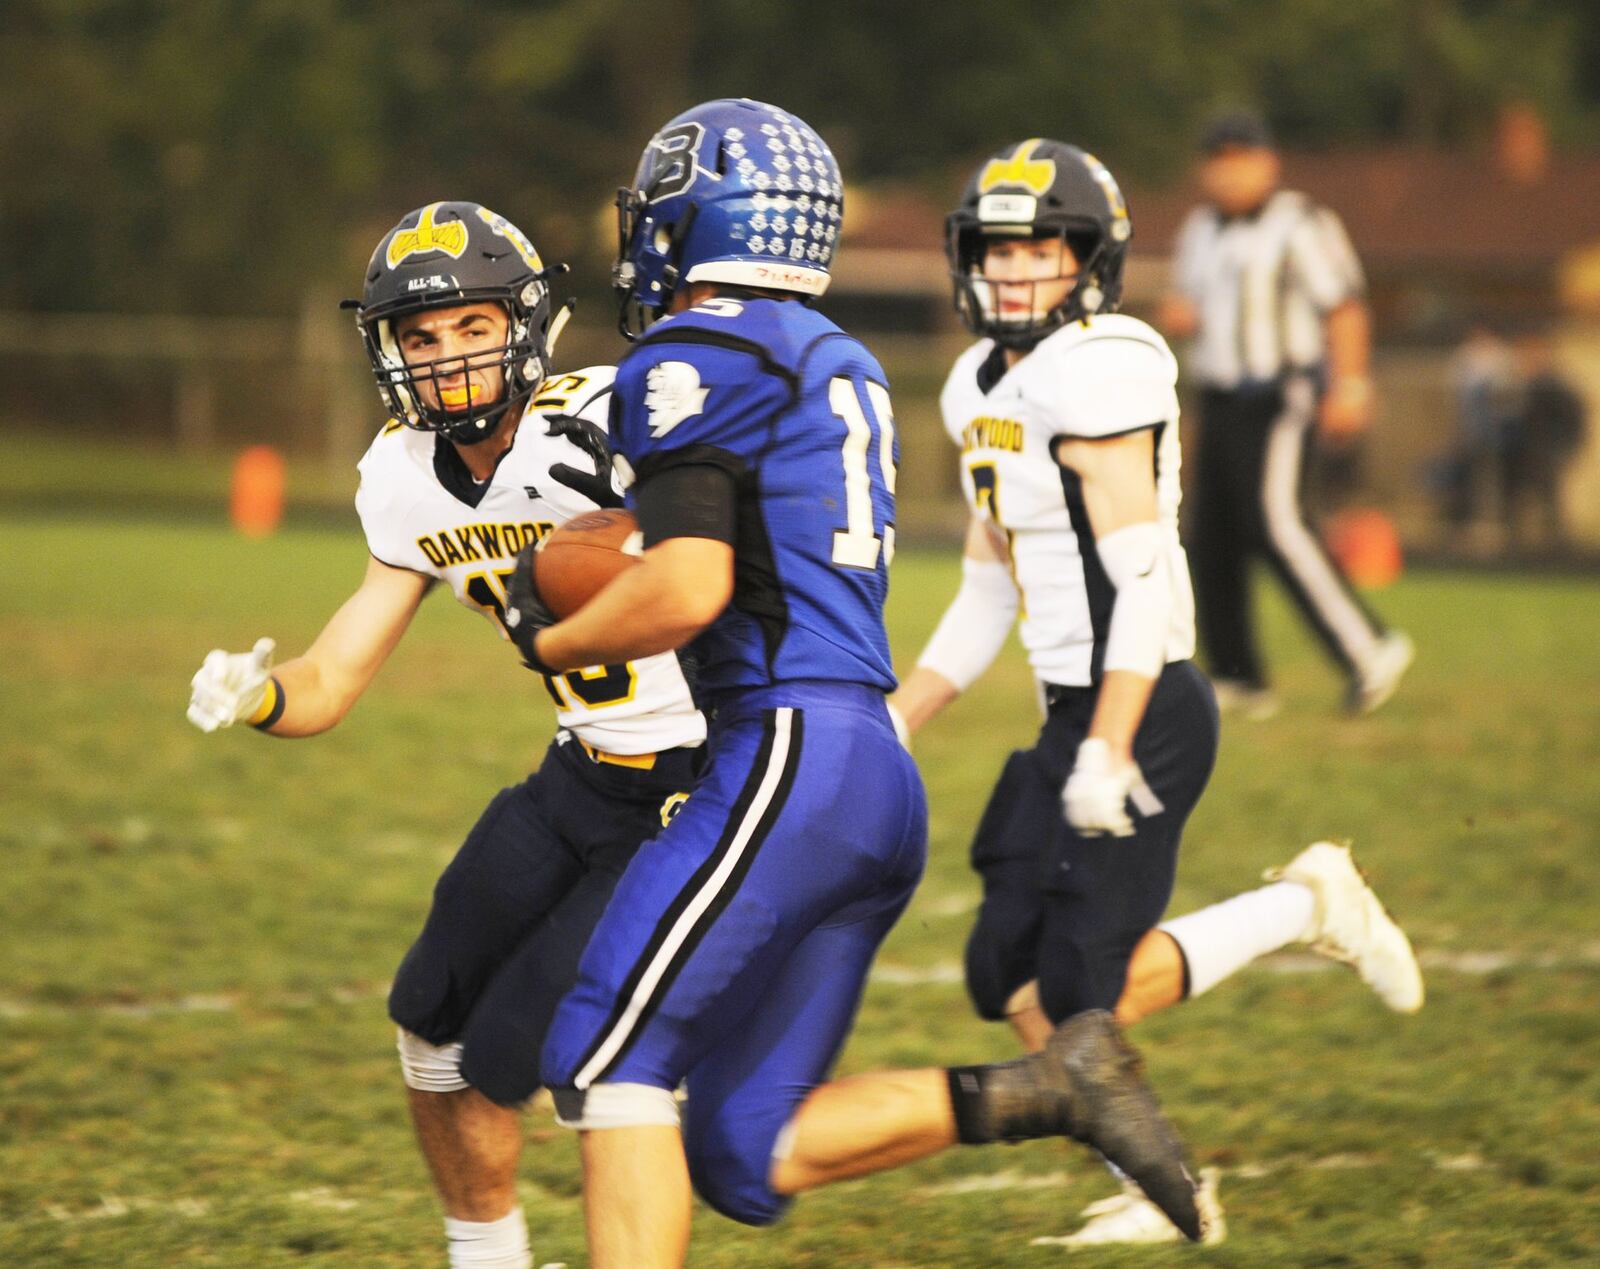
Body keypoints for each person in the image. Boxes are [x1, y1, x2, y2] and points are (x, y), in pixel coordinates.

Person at [502, 99, 1207, 1268]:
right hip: (867, 775)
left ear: (692, 221)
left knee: (603, 1056)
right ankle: (1051, 1089)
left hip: (779, 754)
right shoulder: (839, 358)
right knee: (743, 1145)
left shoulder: (689, 356)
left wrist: (549, 630)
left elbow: (684, 585)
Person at [891, 137, 1426, 1247]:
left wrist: (1111, 746)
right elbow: (990, 586)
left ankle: (1300, 918)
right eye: (994, 250)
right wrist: (900, 716)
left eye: (1039, 247)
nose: (1012, 271)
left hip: (1146, 703)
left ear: (1089, 259)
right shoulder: (972, 384)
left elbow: (1140, 575)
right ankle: (1289, 936)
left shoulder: (1104, 365)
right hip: (1070, 709)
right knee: (1004, 970)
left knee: (1085, 984)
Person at [186, 201, 708, 1269]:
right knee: (430, 1016)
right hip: (583, 771)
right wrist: (260, 695)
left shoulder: (618, 418)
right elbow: (334, 673)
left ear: (526, 322)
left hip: (694, 785)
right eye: (419, 338)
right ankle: (488, 1258)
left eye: (470, 326)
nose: (446, 358)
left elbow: (718, 564)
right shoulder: (404, 472)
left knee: (545, 1048)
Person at [1158, 111, 1413, 717]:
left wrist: (1349, 385)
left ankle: (1369, 646)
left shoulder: (1300, 222)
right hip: (1218, 395)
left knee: (1277, 522)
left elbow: (1344, 306)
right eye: (1218, 159)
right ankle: (1238, 674)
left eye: (1241, 157)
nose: (1230, 172)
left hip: (1279, 393)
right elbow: (1188, 303)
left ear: (1268, 162)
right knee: (1209, 535)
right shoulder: (1200, 229)